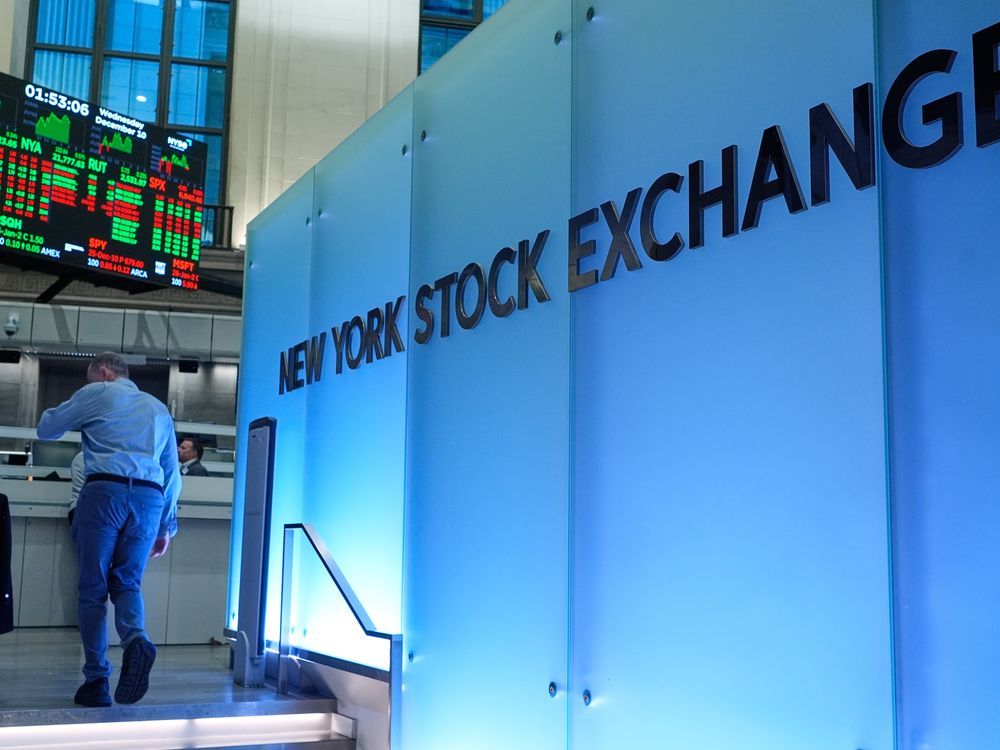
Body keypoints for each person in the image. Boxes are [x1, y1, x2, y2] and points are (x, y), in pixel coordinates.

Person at [37, 352, 180, 708]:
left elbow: (47, 429)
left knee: (93, 589)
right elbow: (172, 473)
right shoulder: (159, 408)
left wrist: (79, 405)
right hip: (149, 500)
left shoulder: (98, 392)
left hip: (104, 494)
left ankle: (96, 681)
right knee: (127, 582)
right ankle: (136, 641)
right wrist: (166, 526)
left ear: (103, 372)